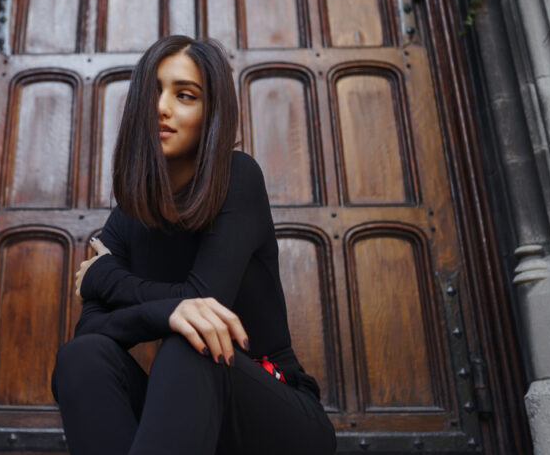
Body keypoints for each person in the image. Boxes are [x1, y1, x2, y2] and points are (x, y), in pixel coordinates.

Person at [51, 35, 337, 455]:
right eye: (153, 92)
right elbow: (91, 329)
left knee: (195, 341)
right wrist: (167, 310)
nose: (161, 107)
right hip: (182, 420)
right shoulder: (130, 213)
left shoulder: (237, 178)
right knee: (82, 357)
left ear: (211, 113)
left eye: (184, 95)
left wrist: (104, 277)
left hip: (276, 414)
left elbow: (206, 303)